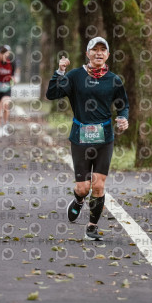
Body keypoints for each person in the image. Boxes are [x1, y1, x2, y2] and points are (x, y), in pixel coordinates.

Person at [46, 36, 129, 241]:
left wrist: (123, 118)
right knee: (83, 188)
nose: (99, 53)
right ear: (88, 53)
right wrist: (60, 71)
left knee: (99, 185)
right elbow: (51, 94)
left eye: (103, 50)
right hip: (80, 137)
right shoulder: (75, 76)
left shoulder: (114, 80)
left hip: (105, 138)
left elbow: (123, 104)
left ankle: (92, 227)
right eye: (95, 49)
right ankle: (78, 200)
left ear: (108, 55)